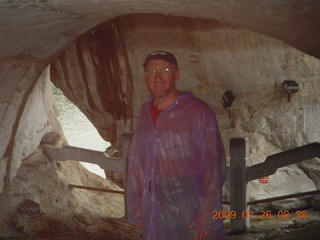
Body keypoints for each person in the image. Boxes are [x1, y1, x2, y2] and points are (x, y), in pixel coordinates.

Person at [125, 50, 226, 240]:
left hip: (189, 200)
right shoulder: (145, 111)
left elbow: (213, 165)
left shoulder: (198, 111)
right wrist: (137, 206)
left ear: (176, 74)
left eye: (165, 70)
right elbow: (137, 161)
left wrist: (206, 215)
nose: (158, 78)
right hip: (155, 203)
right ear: (145, 76)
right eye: (151, 72)